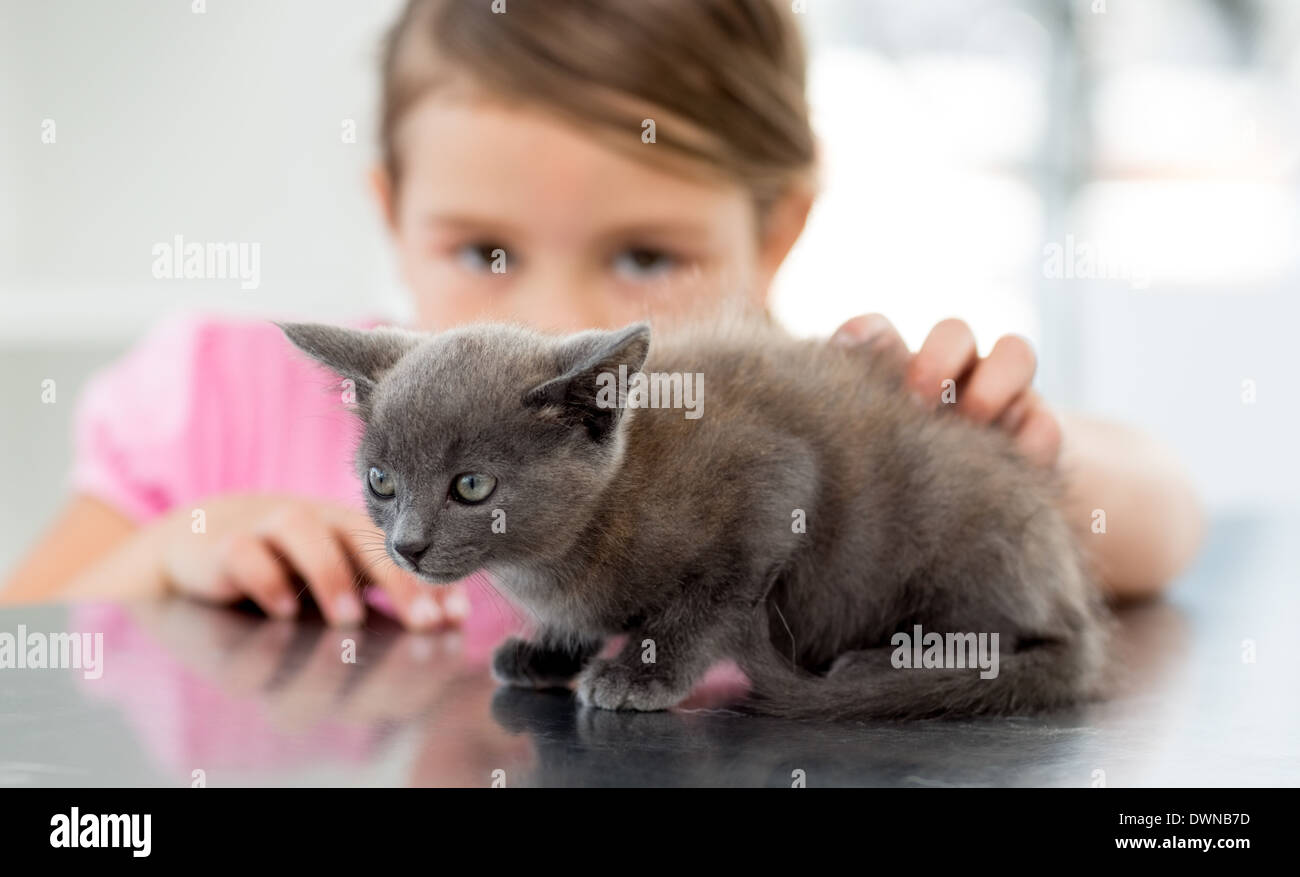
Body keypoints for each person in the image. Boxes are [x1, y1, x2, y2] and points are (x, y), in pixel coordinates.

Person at [2, 0, 1203, 629]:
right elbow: (23, 643)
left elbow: (1160, 519)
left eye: (643, 255)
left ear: (775, 232)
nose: (555, 319)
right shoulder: (229, 391)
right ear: (391, 206)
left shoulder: (784, 426)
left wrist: (1012, 450)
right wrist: (163, 557)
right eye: (483, 249)